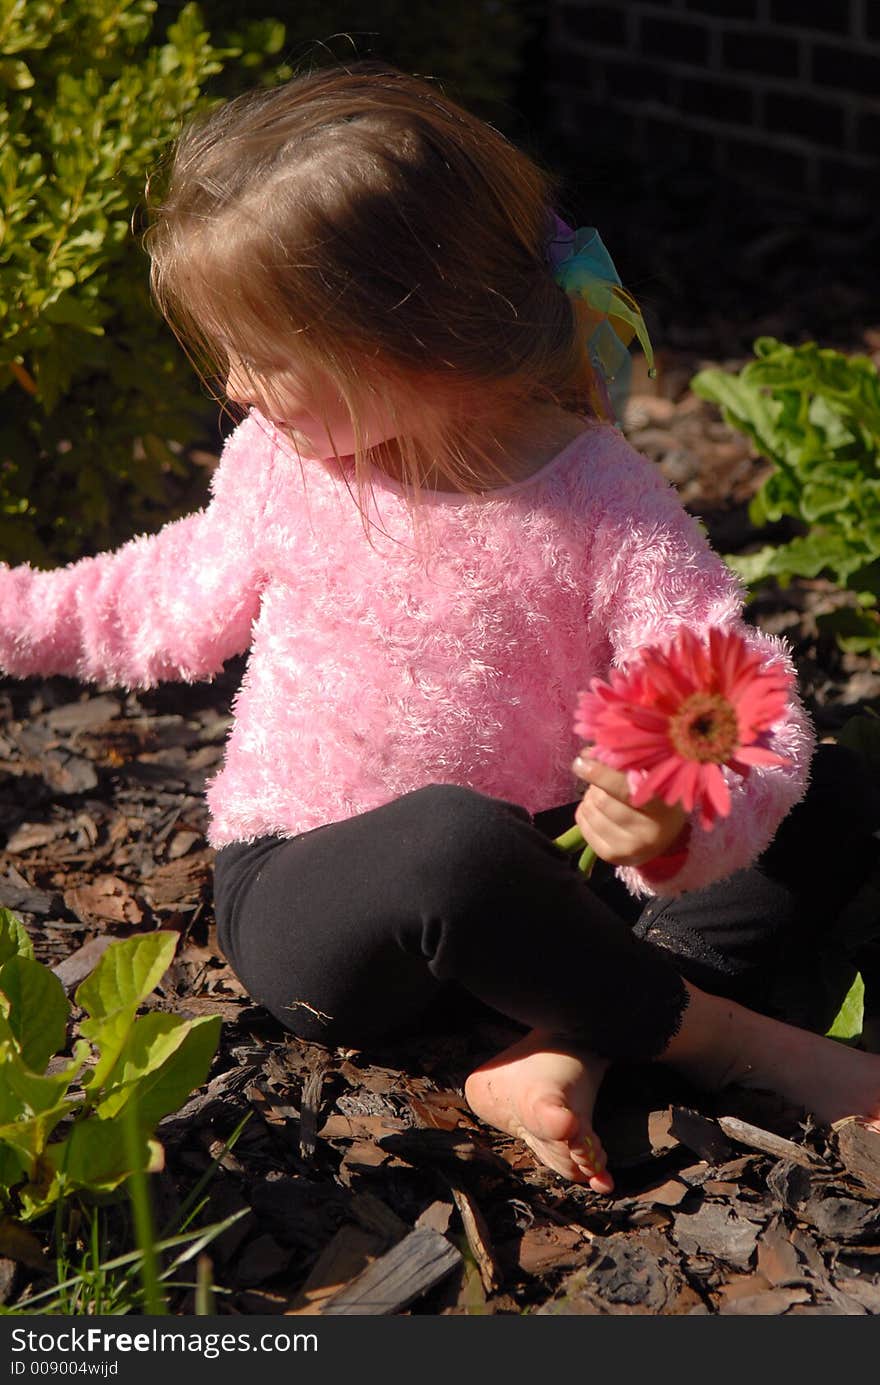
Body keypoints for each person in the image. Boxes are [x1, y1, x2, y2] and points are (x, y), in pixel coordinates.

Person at [2, 61, 879, 1194]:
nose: (233, 385)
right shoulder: (280, 467)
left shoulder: (595, 495)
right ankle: (722, 1036)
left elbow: (723, 687)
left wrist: (668, 820)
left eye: (264, 353)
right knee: (452, 840)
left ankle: (563, 1044)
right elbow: (143, 601)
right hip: (330, 895)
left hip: (545, 868)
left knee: (823, 796)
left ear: (418, 336)